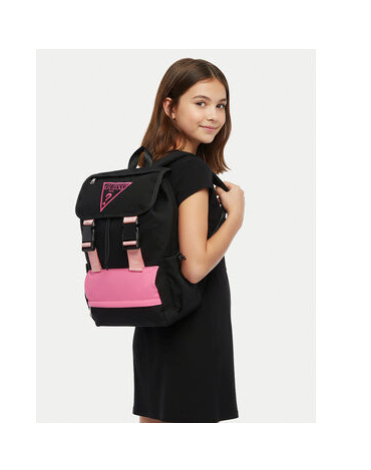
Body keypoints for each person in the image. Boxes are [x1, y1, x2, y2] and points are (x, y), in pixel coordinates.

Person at [132, 58, 245, 423]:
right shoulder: (192, 170)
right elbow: (194, 267)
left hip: (153, 320)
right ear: (170, 107)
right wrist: (236, 217)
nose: (213, 115)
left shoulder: (148, 167)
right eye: (200, 103)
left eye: (221, 105)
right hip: (194, 324)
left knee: (156, 419)